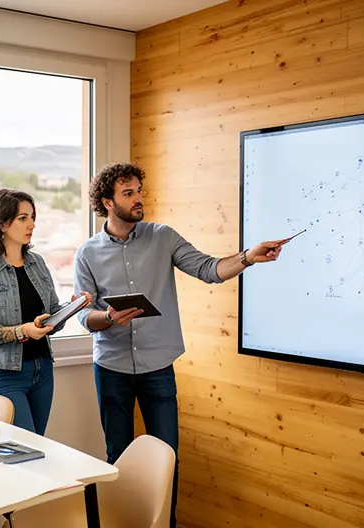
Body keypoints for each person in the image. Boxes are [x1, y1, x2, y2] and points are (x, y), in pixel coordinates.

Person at [74, 162, 283, 528]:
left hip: (158, 366)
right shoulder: (87, 253)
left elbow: (209, 269)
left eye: (139, 190)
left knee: (166, 456)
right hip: (111, 368)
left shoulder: (163, 236)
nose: (139, 199)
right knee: (118, 456)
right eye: (129, 193)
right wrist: (108, 318)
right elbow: (82, 314)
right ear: (107, 202)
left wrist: (248, 257)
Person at [0, 188, 91, 435]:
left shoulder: (37, 263)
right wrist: (22, 331)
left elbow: (51, 316)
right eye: (23, 218)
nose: (31, 224)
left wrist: (71, 308)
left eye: (32, 217)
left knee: (37, 443)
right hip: (4, 374)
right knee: (21, 449)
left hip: (42, 370)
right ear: (2, 223)